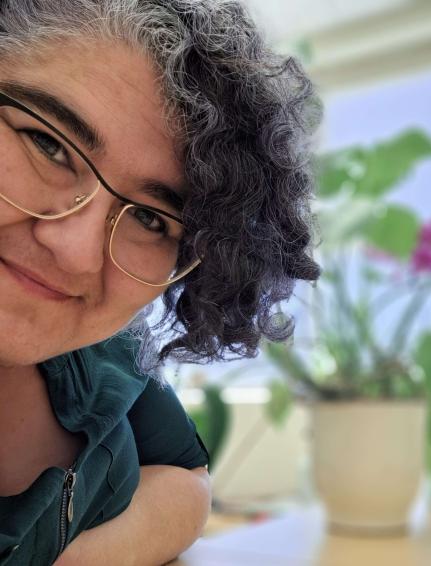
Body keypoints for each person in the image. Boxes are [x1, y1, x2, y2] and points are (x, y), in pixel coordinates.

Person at [0, 1, 320, 565]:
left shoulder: (105, 349)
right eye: (47, 144)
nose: (76, 253)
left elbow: (187, 477)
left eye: (152, 218)